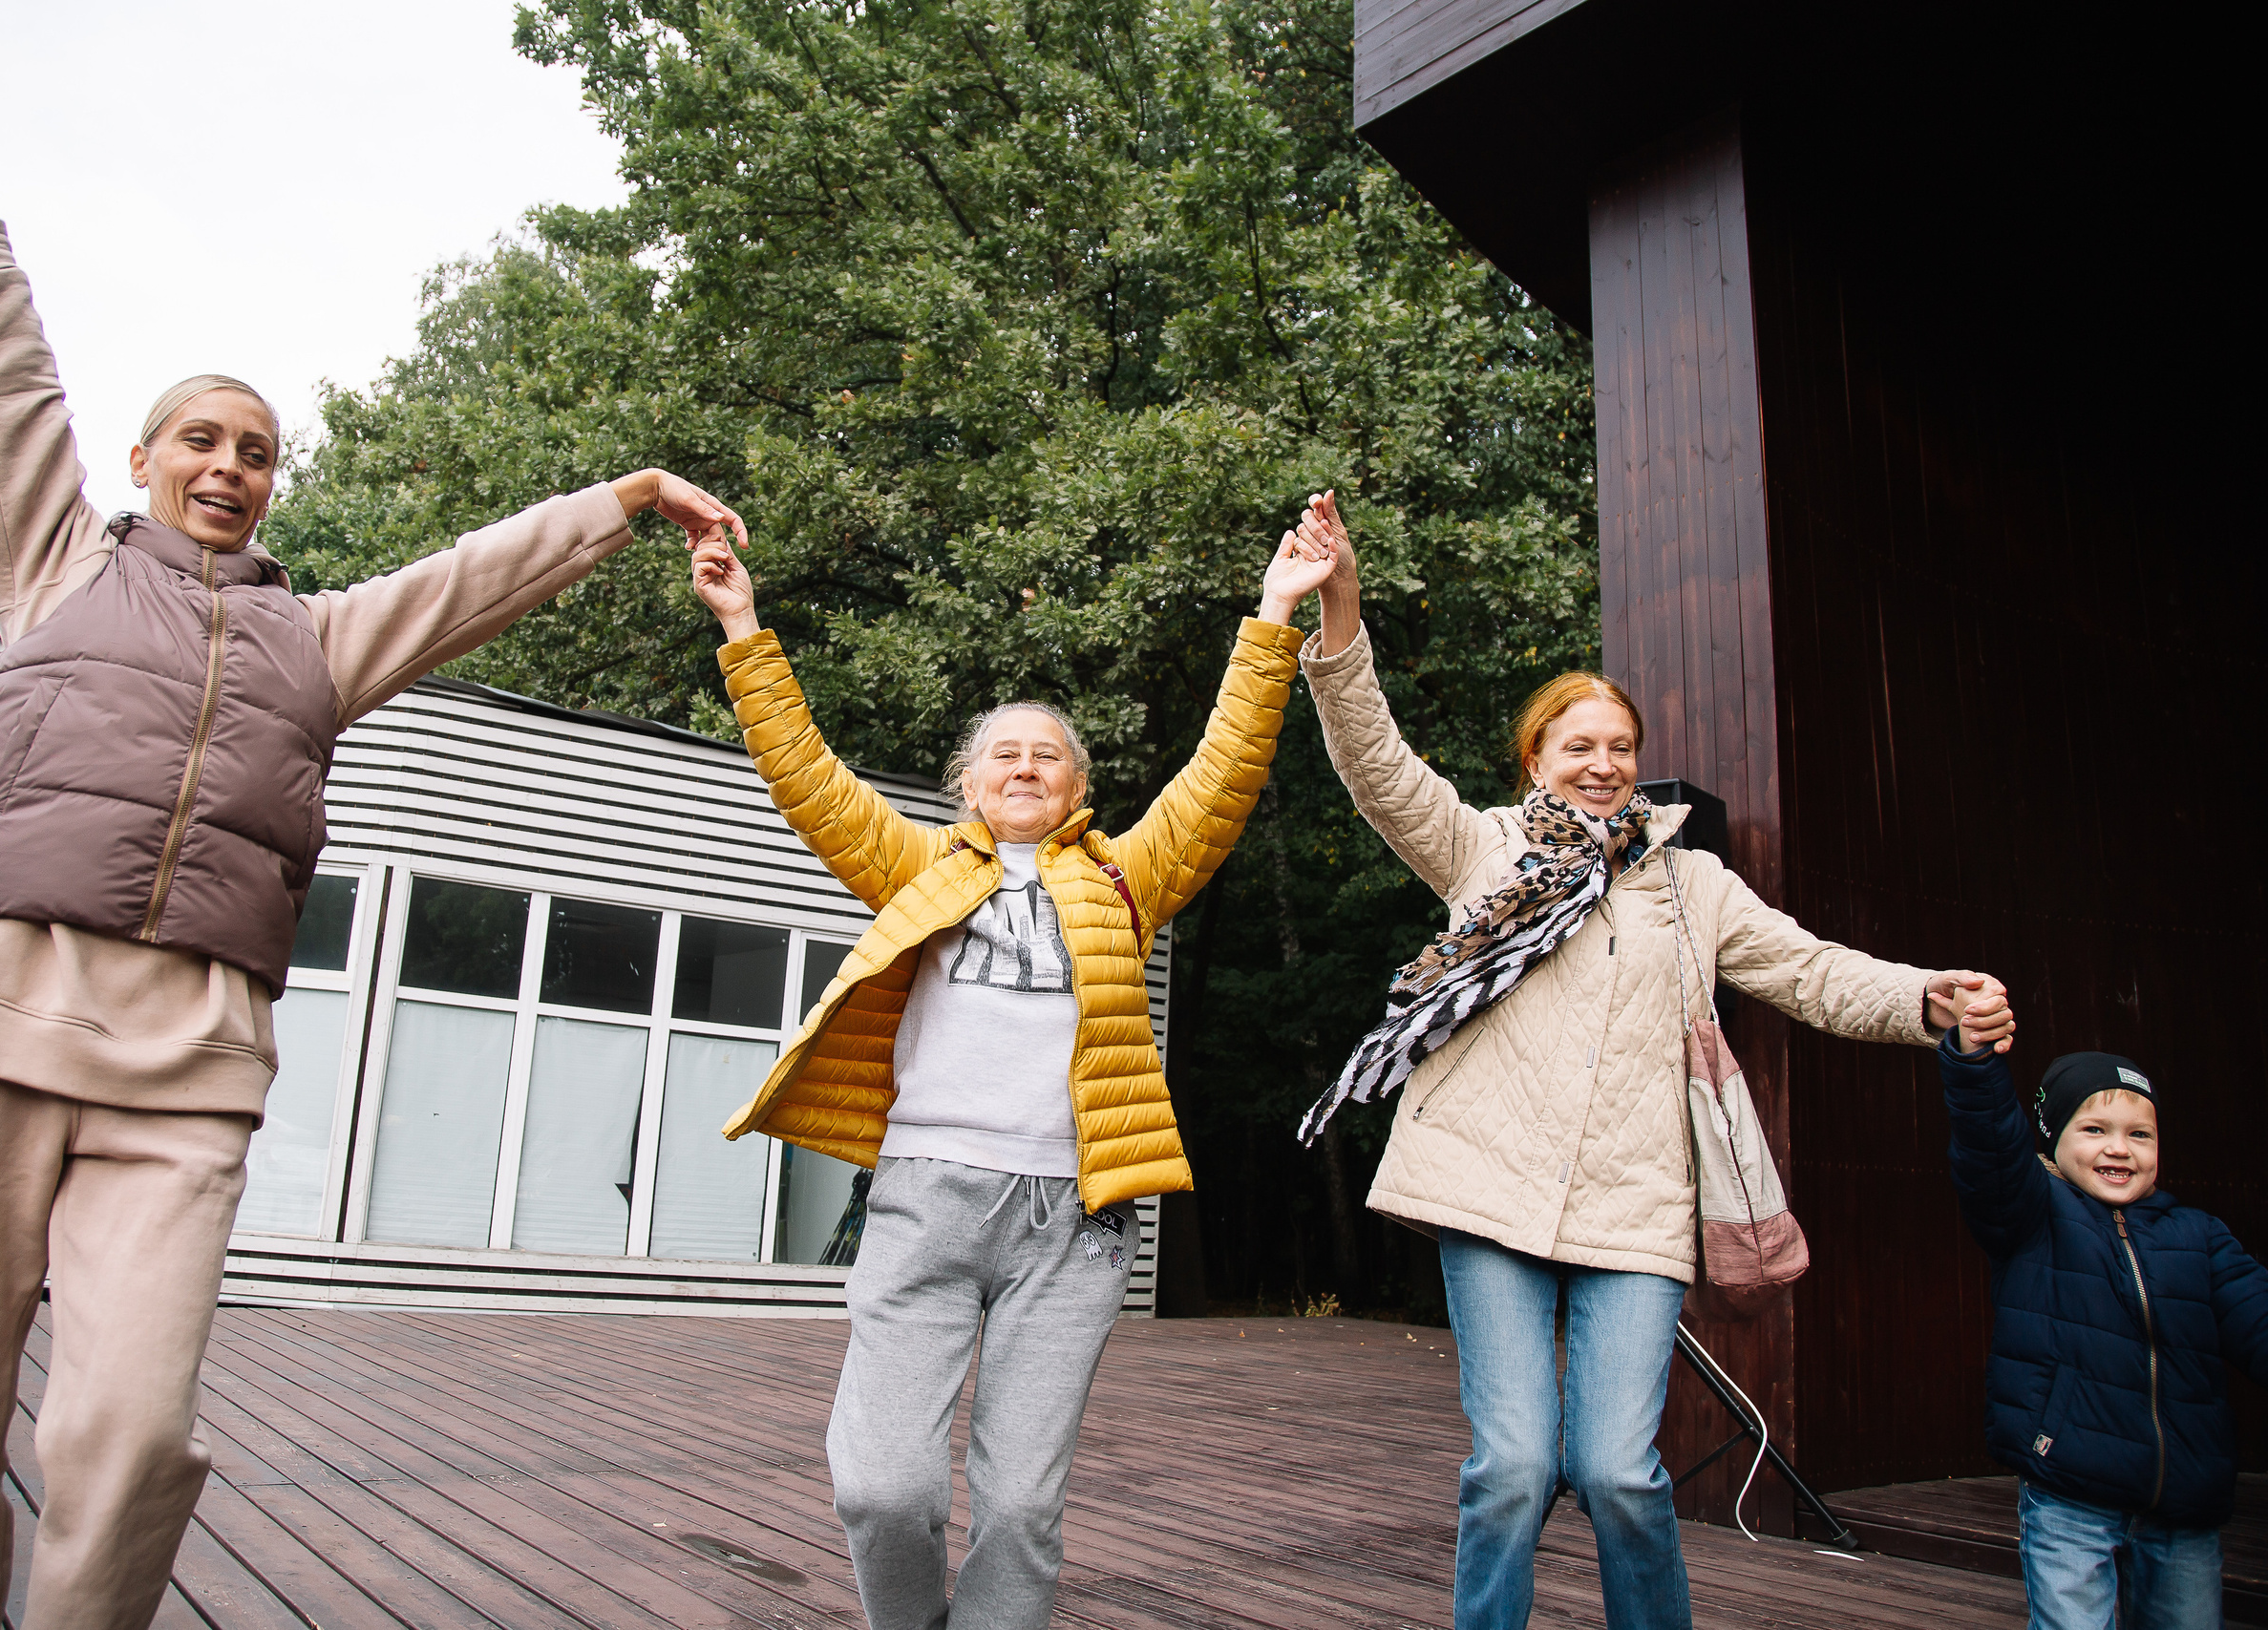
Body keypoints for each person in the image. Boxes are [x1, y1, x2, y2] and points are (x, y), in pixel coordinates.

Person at [0, 53, 746, 1630]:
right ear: (141, 462)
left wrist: (635, 494)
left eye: (255, 450)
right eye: (200, 438)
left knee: (131, 1437)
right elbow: (4, 372)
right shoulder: (55, 563)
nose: (228, 466)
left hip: (182, 1062)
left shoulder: (316, 640)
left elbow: (469, 577)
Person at [1285, 491, 2018, 1630]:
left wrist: (1923, 997)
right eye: (1577, 746)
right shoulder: (1480, 850)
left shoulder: (1692, 885)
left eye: (1619, 748)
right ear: (1535, 759)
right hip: (1489, 1190)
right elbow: (1374, 760)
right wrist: (1340, 609)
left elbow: (1809, 971)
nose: (1602, 765)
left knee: (1621, 1473)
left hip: (1636, 1207)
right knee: (1512, 1467)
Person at [687, 524, 1330, 1628]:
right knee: (882, 1490)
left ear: (1078, 784)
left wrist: (1274, 615)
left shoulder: (1129, 877)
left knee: (1022, 1508)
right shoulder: (914, 868)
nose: (1024, 766)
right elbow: (805, 774)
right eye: (1002, 754)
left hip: (1073, 1220)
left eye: (1046, 755)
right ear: (969, 784)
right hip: (924, 1201)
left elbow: (1225, 773)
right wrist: (742, 625)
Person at [1941, 1034, 2268, 1629]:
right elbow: (1989, 1145)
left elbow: (2257, 1317)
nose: (2119, 1148)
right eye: (2094, 1129)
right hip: (2071, 1492)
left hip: (2184, 1502)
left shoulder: (2200, 1235)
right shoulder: (2034, 1215)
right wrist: (1974, 1059)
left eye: (2140, 1134)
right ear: (2052, 1140)